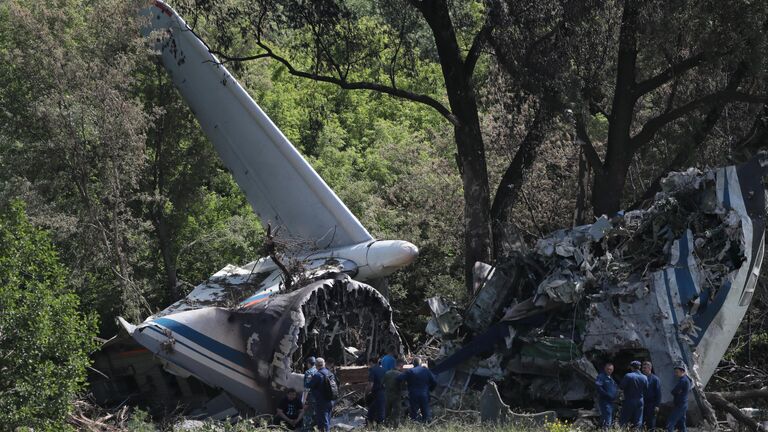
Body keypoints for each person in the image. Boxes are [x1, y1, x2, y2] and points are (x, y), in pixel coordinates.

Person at [397, 357, 436, 423]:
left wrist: (406, 382)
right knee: (426, 413)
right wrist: (430, 389)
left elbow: (399, 378)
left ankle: (414, 426)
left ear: (413, 364)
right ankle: (426, 426)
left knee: (414, 414)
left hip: (413, 395)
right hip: (424, 394)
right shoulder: (426, 371)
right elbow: (434, 382)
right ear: (421, 364)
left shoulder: (410, 371)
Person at [308, 357, 336, 432]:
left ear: (316, 365)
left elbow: (309, 385)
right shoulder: (330, 373)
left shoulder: (317, 375)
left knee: (323, 421)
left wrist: (310, 379)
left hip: (321, 401)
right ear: (323, 364)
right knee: (327, 420)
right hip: (331, 400)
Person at [620, 360, 649, 429]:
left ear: (632, 367)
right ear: (639, 367)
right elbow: (646, 389)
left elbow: (621, 386)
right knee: (638, 421)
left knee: (624, 420)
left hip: (629, 400)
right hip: (640, 401)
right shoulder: (645, 377)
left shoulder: (628, 376)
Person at [666, 364, 691, 432]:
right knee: (681, 424)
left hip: (680, 405)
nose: (675, 374)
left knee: (670, 422)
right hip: (682, 404)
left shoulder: (683, 381)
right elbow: (676, 391)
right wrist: (677, 392)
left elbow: (674, 391)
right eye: (675, 372)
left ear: (682, 371)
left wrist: (676, 392)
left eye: (677, 372)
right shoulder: (685, 379)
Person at [595, 362, 618, 429]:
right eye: (608, 369)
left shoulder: (611, 378)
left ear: (613, 370)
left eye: (611, 369)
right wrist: (606, 395)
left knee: (607, 417)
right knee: (608, 417)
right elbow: (598, 387)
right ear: (605, 368)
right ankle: (606, 429)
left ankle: (601, 429)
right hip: (605, 401)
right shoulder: (601, 376)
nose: (609, 370)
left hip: (612, 401)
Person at [384, 359, 406, 427]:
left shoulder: (387, 373)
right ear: (400, 366)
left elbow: (382, 384)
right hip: (396, 395)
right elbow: (403, 386)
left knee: (387, 412)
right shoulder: (400, 374)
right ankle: (396, 426)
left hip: (387, 395)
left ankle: (386, 426)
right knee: (397, 412)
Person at [642, 360, 662, 430]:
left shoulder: (655, 379)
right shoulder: (641, 378)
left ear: (650, 368)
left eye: (645, 368)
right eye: (643, 368)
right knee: (642, 422)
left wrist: (657, 405)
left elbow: (658, 393)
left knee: (651, 423)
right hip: (642, 404)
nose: (643, 369)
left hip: (652, 404)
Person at [367, 356, 386, 425]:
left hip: (377, 392)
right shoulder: (383, 370)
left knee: (379, 411)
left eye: (369, 363)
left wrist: (366, 392)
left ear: (371, 362)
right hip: (383, 392)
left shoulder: (372, 370)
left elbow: (370, 384)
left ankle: (380, 426)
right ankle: (371, 422)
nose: (369, 365)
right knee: (374, 409)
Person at [301, 356, 317, 432]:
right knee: (316, 415)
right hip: (319, 398)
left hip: (310, 398)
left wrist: (304, 401)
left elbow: (307, 388)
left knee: (307, 416)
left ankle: (307, 430)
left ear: (308, 363)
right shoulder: (319, 371)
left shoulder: (309, 372)